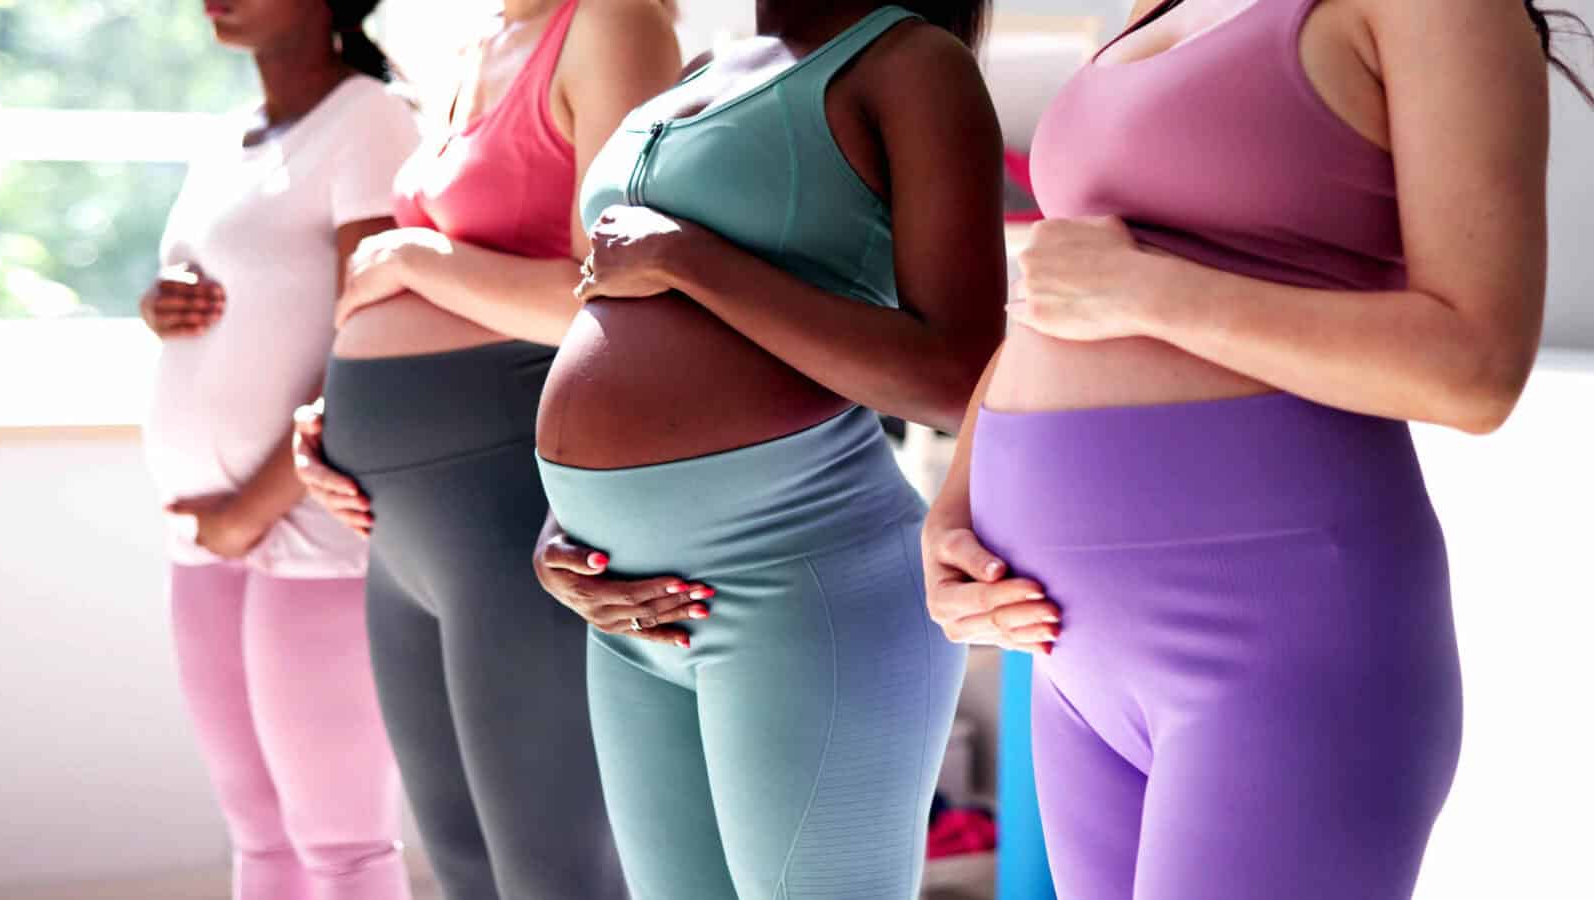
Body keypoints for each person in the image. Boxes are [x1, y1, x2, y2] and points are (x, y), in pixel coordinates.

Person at [925, 1, 1593, 898]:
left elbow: (1474, 370)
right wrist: (953, 514)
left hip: (1275, 643)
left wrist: (1151, 294)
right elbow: (1057, 300)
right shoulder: (1153, 3)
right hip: (1069, 654)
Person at [526, 4, 1041, 897]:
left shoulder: (913, 64)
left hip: (803, 584)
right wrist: (560, 525)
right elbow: (623, 317)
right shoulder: (699, 68)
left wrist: (691, 257)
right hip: (626, 610)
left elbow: (959, 376)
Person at [287, 1, 684, 897]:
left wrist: (412, 260)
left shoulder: (612, 22)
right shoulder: (476, 43)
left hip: (510, 506)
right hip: (402, 531)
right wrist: (333, 417)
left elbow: (627, 282)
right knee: (459, 858)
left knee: (553, 867)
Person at [140, 1, 421, 897]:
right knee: (258, 836)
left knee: (340, 844)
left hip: (307, 529)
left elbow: (376, 338)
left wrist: (247, 512)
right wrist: (161, 306)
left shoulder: (370, 118)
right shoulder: (234, 137)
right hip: (207, 531)